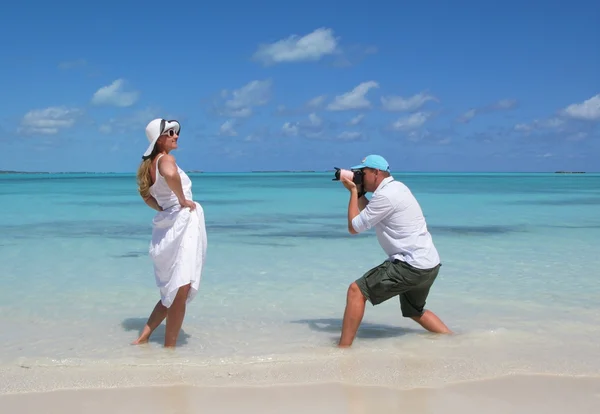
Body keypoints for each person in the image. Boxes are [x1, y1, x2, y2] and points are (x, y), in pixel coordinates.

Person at [338, 154, 451, 347]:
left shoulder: (386, 196)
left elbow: (353, 227)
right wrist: (361, 193)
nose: (359, 176)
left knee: (356, 291)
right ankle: (455, 340)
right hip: (429, 264)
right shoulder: (397, 188)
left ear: (376, 173)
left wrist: (353, 193)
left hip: (410, 265)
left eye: (362, 173)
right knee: (415, 311)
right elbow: (371, 213)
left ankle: (343, 350)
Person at [132, 118, 208, 348]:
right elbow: (171, 174)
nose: (176, 136)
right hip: (182, 224)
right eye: (171, 132)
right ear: (159, 138)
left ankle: (143, 337)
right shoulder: (165, 159)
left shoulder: (149, 165)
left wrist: (164, 208)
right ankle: (170, 349)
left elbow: (147, 196)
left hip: (168, 223)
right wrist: (182, 200)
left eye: (177, 132)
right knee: (180, 289)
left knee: (172, 289)